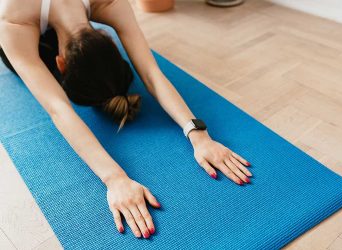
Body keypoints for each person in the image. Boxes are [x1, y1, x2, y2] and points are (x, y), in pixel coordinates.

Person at [0, 0, 253, 239]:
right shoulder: (13, 21)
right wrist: (115, 178)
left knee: (98, 79)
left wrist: (199, 135)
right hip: (23, 28)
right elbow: (58, 109)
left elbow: (151, 72)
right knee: (35, 72)